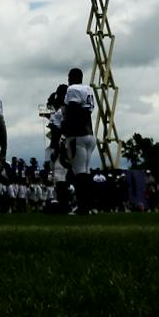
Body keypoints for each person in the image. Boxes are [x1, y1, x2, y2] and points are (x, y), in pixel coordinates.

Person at [59, 69, 100, 213]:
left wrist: (65, 131)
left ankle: (82, 206)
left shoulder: (72, 89)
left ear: (71, 77)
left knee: (79, 173)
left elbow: (73, 110)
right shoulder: (88, 89)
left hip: (78, 135)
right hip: (90, 135)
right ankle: (90, 205)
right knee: (87, 172)